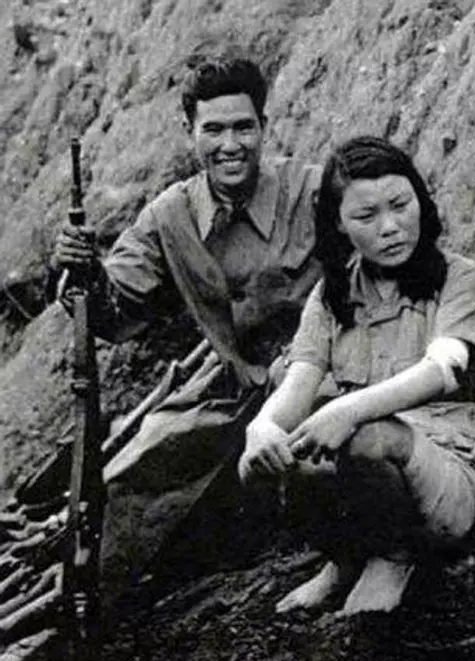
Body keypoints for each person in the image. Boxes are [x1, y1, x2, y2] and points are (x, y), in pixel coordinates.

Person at [47, 56, 324, 584]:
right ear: (189, 131)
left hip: (320, 377)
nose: (230, 145)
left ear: (264, 126)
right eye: (213, 130)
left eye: (243, 127)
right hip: (232, 392)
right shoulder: (169, 216)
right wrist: (82, 273)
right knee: (134, 480)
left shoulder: (312, 190)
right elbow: (115, 311)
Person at [237, 136, 475, 616]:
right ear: (339, 223)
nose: (390, 227)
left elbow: (444, 369)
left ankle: (394, 558)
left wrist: (348, 409)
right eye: (366, 215)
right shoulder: (330, 297)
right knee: (278, 456)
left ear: (420, 200)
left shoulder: (458, 278)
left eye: (400, 205)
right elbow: (298, 384)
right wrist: (263, 429)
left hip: (442, 476)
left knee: (367, 435)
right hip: (361, 475)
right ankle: (344, 559)